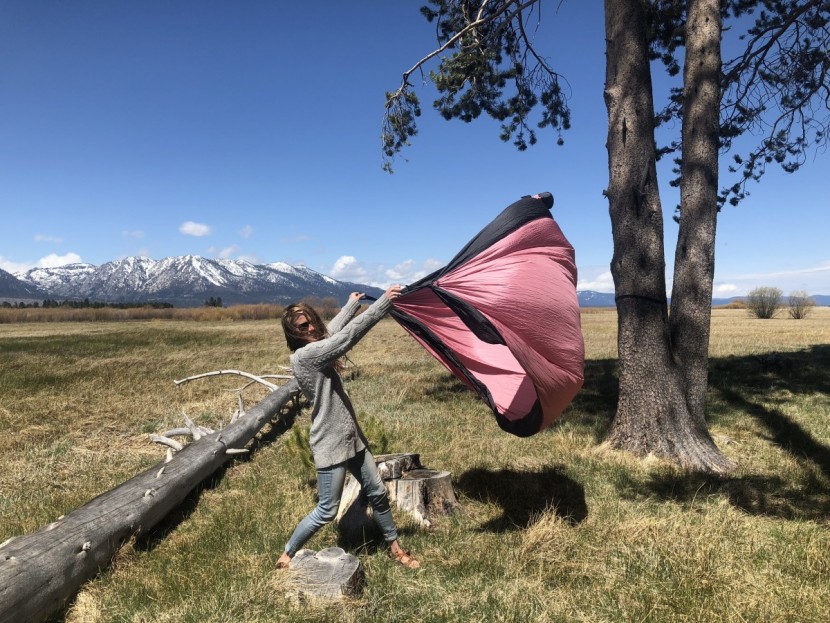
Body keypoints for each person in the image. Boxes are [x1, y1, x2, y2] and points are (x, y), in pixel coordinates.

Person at [275, 285, 420, 570]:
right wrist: (382, 305)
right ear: (294, 333)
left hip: (352, 437)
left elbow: (328, 333)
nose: (311, 329)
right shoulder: (305, 357)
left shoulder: (315, 345)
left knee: (377, 492)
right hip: (330, 442)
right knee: (327, 510)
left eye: (312, 322)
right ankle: (287, 554)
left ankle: (395, 547)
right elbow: (343, 339)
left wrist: (351, 305)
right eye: (303, 326)